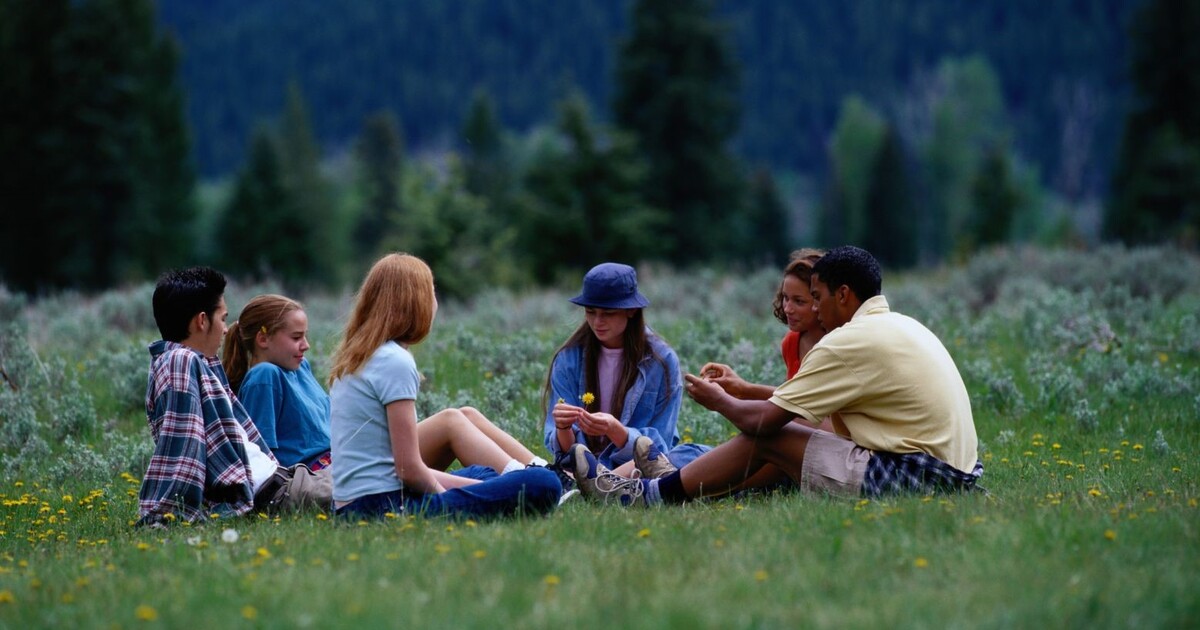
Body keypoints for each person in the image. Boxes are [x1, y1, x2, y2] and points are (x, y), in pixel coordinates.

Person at [571, 246, 983, 506]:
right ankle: (671, 482)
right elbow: (799, 404)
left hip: (922, 480)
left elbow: (763, 421)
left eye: (817, 299)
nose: (815, 311)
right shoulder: (902, 325)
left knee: (773, 436)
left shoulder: (849, 342)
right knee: (790, 431)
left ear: (844, 295)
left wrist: (720, 400)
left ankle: (646, 495)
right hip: (953, 475)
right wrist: (746, 391)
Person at [329, 253, 561, 520]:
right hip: (382, 507)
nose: (435, 302)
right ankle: (520, 486)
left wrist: (482, 488)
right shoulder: (395, 361)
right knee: (544, 484)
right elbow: (408, 469)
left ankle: (501, 485)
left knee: (485, 473)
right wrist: (448, 500)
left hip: (351, 505)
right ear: (416, 303)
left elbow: (395, 467)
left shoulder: (359, 356)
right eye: (432, 292)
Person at [224, 294, 547, 475]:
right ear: (263, 339)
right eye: (296, 338)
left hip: (348, 457)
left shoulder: (299, 369)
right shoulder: (263, 377)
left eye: (305, 336)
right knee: (450, 421)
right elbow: (261, 458)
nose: (306, 345)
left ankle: (546, 472)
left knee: (465, 412)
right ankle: (525, 482)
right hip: (331, 473)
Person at [137, 268, 331, 527]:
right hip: (275, 494)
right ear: (202, 321)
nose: (227, 330)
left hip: (288, 479)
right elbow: (181, 445)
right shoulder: (179, 361)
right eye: (223, 318)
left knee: (381, 475)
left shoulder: (199, 361)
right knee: (378, 488)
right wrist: (167, 515)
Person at [544, 262, 709, 482]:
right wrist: (562, 427)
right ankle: (590, 486)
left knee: (686, 455)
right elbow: (565, 453)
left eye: (608, 313)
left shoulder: (662, 361)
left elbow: (659, 449)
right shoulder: (569, 358)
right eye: (590, 312)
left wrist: (617, 431)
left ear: (631, 310)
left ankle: (591, 486)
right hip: (578, 469)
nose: (597, 322)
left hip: (635, 466)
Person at [698, 248, 838, 434]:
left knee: (775, 427)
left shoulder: (838, 344)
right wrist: (739, 389)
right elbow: (794, 401)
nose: (787, 308)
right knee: (773, 427)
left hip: (840, 440)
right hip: (808, 435)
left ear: (821, 301)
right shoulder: (792, 343)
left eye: (799, 301)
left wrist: (739, 394)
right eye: (785, 298)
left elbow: (806, 408)